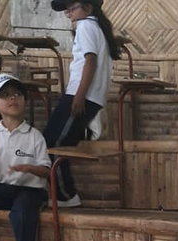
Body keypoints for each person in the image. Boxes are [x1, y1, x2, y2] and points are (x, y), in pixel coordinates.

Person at [43, 0, 121, 206]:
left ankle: (66, 196)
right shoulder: (94, 26)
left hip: (81, 95)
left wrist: (79, 95)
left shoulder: (86, 26)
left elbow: (90, 61)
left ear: (87, 7)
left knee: (55, 143)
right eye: (67, 10)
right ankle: (63, 193)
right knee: (55, 139)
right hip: (84, 94)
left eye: (71, 8)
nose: (68, 13)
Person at [0, 74, 52, 241]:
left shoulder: (34, 135)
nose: (13, 98)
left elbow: (47, 171)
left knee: (22, 214)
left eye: (18, 94)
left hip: (30, 190)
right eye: (6, 95)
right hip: (2, 187)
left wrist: (30, 168)